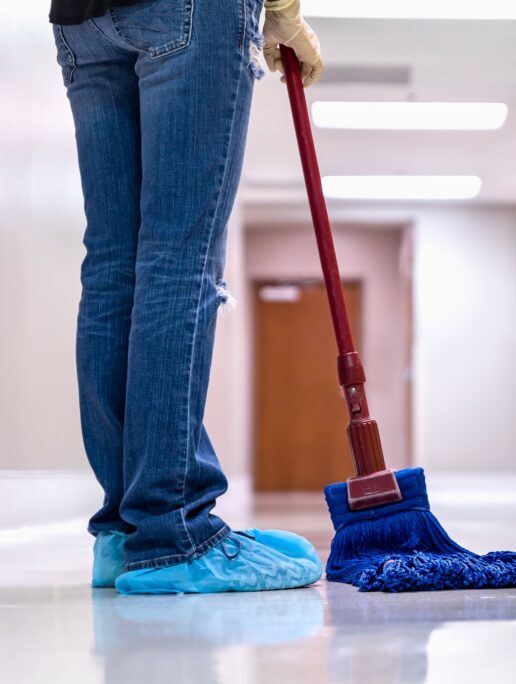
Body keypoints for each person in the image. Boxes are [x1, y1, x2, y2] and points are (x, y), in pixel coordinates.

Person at [50, 0, 325, 594]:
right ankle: (173, 532)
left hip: (78, 21)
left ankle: (125, 534)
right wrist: (280, 9)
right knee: (180, 259)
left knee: (113, 267)